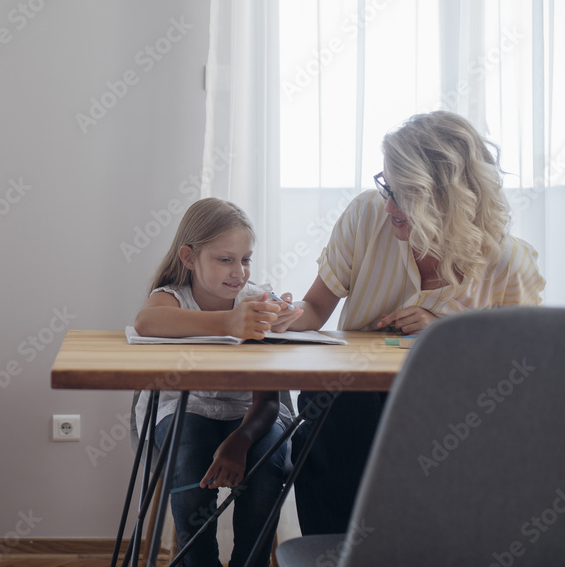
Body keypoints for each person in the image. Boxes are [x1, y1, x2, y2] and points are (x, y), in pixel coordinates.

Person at [286, 110, 546, 535]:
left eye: (404, 194)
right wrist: (279, 314)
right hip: (350, 401)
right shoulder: (367, 216)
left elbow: (523, 375)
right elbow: (314, 309)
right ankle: (338, 554)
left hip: (448, 411)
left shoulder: (507, 262)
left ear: (448, 197)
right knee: (330, 402)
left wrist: (443, 332)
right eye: (387, 187)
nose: (388, 206)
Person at [132, 197, 304, 567]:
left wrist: (240, 441)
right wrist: (228, 324)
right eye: (225, 259)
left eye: (245, 259)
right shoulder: (171, 299)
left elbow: (269, 403)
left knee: (266, 470)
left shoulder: (256, 301)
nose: (238, 272)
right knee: (190, 464)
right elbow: (147, 323)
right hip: (185, 411)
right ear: (189, 257)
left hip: (252, 414)